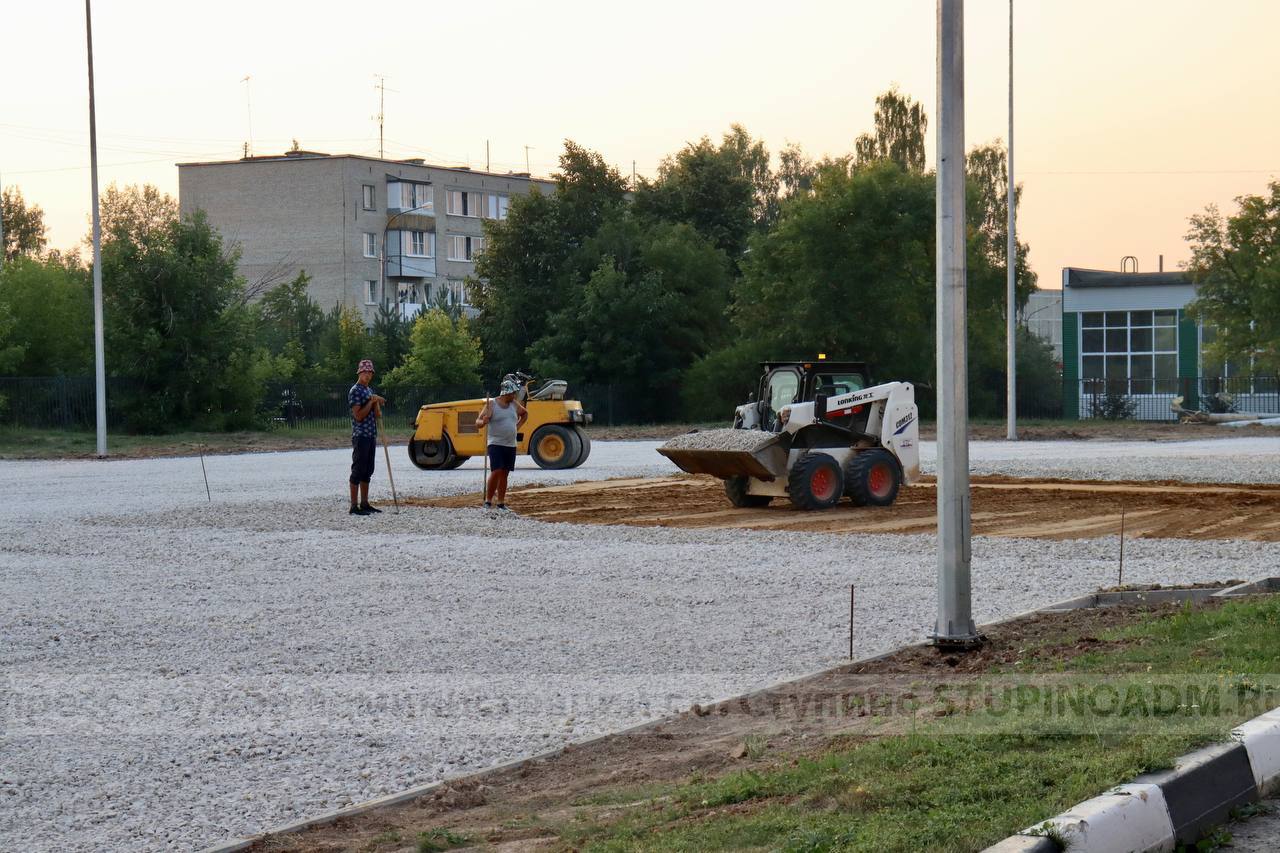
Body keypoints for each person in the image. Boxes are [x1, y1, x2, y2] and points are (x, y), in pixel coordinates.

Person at [475, 377, 528, 511]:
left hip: (510, 444)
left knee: (505, 473)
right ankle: (488, 501)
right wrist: (484, 422)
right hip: (495, 443)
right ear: (506, 393)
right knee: (496, 471)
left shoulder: (514, 404)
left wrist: (517, 427)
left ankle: (501, 503)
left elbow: (525, 414)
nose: (514, 395)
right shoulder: (491, 404)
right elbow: (478, 423)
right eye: (512, 393)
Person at [347, 359, 386, 516]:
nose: (368, 375)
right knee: (358, 469)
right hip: (360, 435)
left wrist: (376, 402)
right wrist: (371, 401)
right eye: (365, 372)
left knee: (368, 470)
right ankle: (353, 506)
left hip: (371, 435)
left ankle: (365, 503)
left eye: (370, 372)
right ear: (359, 373)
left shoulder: (369, 390)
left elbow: (377, 415)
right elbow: (359, 416)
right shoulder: (355, 391)